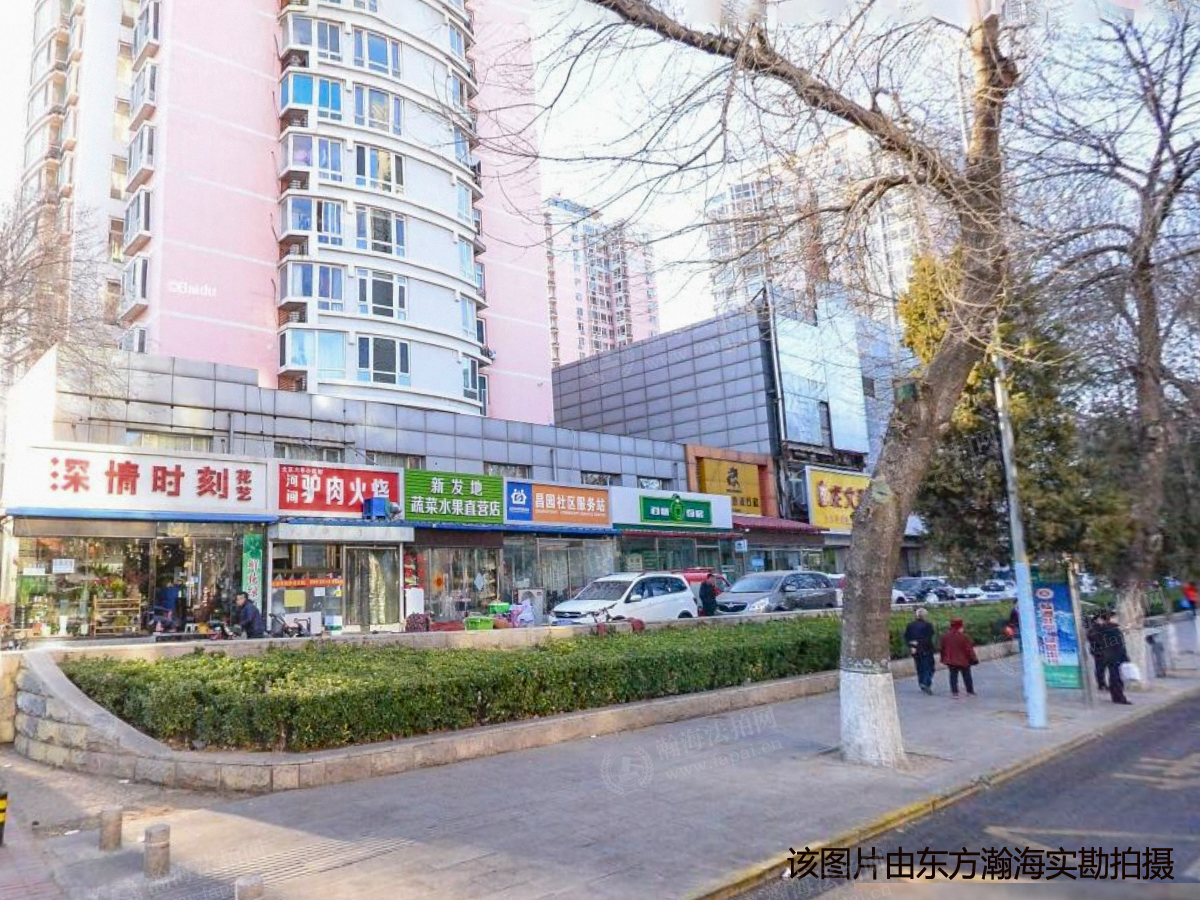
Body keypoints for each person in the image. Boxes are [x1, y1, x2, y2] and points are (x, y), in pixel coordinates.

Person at [939, 618, 979, 698]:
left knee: (953, 676)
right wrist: (974, 659)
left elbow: (942, 648)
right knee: (967, 676)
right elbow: (969, 649)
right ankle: (970, 691)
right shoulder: (964, 636)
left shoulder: (945, 636)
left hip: (950, 660)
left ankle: (955, 692)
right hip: (963, 660)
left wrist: (943, 658)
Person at [1098, 611, 1132, 705]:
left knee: (1113, 676)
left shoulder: (1103, 629)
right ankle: (1119, 697)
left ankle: (1115, 696)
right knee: (1116, 677)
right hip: (1115, 656)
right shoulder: (1113, 629)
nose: (1117, 619)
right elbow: (1119, 644)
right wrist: (1125, 656)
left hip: (1108, 655)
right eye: (1115, 617)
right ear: (1111, 618)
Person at [903, 607, 936, 695]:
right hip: (926, 649)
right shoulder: (928, 625)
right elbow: (929, 637)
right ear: (925, 616)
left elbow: (906, 637)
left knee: (919, 667)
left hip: (915, 650)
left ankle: (921, 682)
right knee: (929, 667)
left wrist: (912, 646)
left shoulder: (910, 625)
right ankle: (926, 682)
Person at [1085, 613, 1108, 691]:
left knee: (1102, 668)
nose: (1101, 621)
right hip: (1098, 651)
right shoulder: (1094, 629)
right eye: (1099, 619)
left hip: (1101, 650)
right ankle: (1101, 684)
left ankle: (1102, 683)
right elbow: (1094, 639)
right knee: (1100, 668)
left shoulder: (1101, 628)